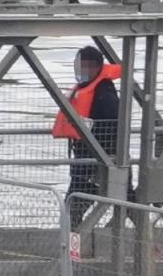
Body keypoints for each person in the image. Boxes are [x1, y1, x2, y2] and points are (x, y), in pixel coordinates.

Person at [51, 46, 122, 228]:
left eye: (88, 66)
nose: (83, 71)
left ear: (98, 67)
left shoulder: (105, 93)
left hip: (102, 161)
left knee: (72, 211)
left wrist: (106, 156)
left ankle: (71, 249)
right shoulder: (83, 89)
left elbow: (113, 124)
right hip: (84, 160)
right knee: (72, 210)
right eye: (81, 66)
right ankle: (74, 249)